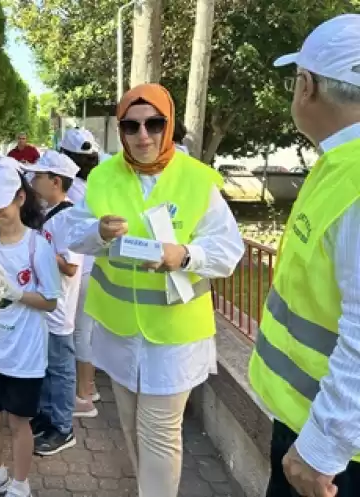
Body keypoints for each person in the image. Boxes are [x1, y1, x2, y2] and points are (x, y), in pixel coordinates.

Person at [66, 83, 243, 497]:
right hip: (120, 331)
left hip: (175, 335)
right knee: (129, 424)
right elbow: (74, 234)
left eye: (154, 124)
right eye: (131, 125)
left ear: (169, 126)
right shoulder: (103, 176)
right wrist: (98, 232)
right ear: (120, 129)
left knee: (160, 432)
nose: (143, 135)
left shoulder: (198, 181)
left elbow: (228, 252)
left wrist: (183, 254)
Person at [247, 14, 360, 497]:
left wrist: (321, 449)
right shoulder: (340, 163)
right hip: (313, 429)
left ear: (305, 85)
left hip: (331, 457)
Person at [0, 163, 62, 497]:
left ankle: (21, 484)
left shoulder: (38, 246)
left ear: (21, 197)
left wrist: (17, 293)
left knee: (19, 422)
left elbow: (50, 301)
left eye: (1, 205)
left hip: (25, 351)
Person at [24, 150, 85, 456]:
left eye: (39, 176)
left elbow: (71, 265)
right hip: (45, 306)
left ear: (56, 181)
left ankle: (63, 427)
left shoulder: (70, 217)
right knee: (47, 367)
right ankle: (48, 417)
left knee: (60, 370)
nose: (34, 181)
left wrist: (40, 251)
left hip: (59, 309)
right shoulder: (51, 213)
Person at [57, 128, 105, 416]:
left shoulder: (70, 188)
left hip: (81, 267)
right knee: (89, 330)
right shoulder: (98, 183)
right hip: (95, 265)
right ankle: (91, 387)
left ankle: (83, 397)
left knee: (80, 333)